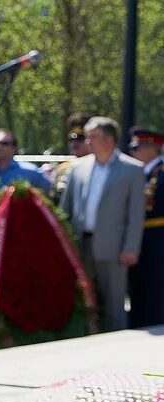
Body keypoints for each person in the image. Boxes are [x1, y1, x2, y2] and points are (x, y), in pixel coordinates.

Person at [59, 116, 145, 331]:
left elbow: (136, 214)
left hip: (114, 248)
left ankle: (117, 351)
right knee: (86, 303)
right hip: (82, 244)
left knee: (114, 303)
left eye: (93, 137)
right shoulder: (78, 168)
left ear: (109, 139)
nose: (87, 142)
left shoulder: (132, 170)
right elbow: (65, 208)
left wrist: (131, 247)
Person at [126, 128, 164, 329]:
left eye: (138, 147)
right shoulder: (142, 172)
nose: (134, 151)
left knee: (155, 282)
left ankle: (154, 320)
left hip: (157, 236)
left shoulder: (160, 173)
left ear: (152, 147)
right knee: (140, 281)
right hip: (141, 235)